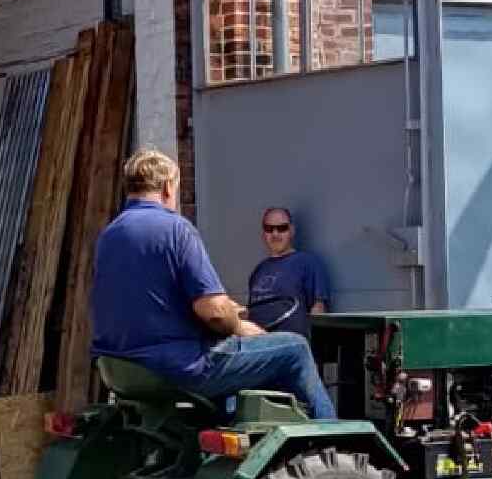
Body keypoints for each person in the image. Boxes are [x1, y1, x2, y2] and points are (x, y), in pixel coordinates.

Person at [90, 146, 335, 422]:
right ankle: (333, 437)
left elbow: (154, 299)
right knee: (296, 348)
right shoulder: (175, 229)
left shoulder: (108, 237)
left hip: (121, 371)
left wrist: (230, 311)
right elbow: (216, 312)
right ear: (168, 187)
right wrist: (239, 326)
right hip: (178, 367)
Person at [246, 206, 329, 342]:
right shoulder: (258, 270)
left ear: (292, 230)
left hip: (291, 347)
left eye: (282, 228)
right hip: (258, 346)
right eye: (269, 229)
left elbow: (318, 310)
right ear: (263, 233)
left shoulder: (307, 262)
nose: (275, 234)